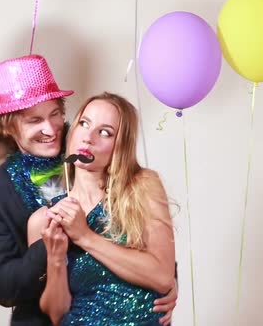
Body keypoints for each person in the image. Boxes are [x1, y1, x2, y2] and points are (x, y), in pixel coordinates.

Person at [0, 55, 177, 326]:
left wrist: (164, 283)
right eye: (34, 120)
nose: (50, 129)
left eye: (56, 114)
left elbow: (155, 254)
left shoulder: (86, 144)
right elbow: (3, 287)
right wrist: (51, 252)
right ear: (8, 126)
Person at [27, 92, 176, 325]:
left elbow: (162, 277)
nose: (88, 138)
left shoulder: (142, 187)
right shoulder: (44, 219)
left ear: (120, 146)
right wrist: (55, 258)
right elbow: (56, 313)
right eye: (84, 124)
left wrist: (84, 236)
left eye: (105, 132)